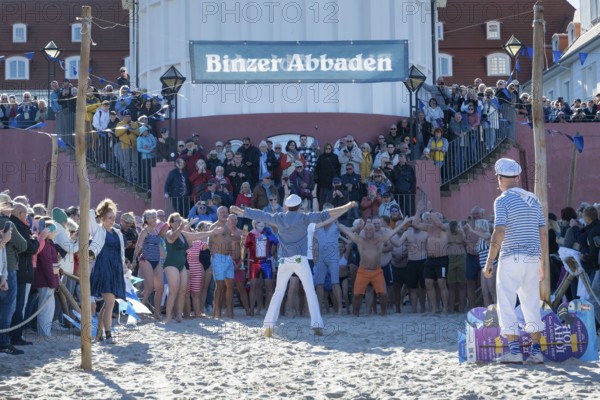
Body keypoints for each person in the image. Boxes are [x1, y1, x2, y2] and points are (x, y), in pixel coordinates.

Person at [231, 195, 356, 336]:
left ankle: (268, 326)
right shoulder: (304, 218)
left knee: (278, 292)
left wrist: (241, 211)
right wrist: (347, 206)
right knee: (310, 292)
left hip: (284, 261)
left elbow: (261, 215)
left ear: (287, 206)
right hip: (300, 260)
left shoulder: (279, 217)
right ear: (299, 207)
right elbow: (326, 214)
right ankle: (317, 324)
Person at [485, 158, 546, 364]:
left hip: (511, 256)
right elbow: (543, 234)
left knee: (506, 303)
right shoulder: (534, 199)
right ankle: (536, 351)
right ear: (518, 177)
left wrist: (489, 262)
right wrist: (542, 265)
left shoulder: (501, 200)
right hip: (533, 258)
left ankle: (514, 350)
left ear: (500, 178)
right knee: (531, 304)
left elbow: (499, 230)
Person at [337, 218, 408, 316]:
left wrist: (404, 223)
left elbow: (393, 232)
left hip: (377, 271)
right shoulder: (359, 240)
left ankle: (383, 313)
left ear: (374, 230)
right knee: (357, 295)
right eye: (366, 229)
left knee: (383, 294)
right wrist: (337, 223)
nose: (368, 231)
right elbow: (347, 231)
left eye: (370, 229)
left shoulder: (380, 239)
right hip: (363, 271)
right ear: (363, 230)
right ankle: (355, 315)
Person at [164, 213, 221, 323]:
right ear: (171, 223)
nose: (179, 222)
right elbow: (173, 237)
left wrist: (212, 232)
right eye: (176, 221)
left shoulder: (184, 234)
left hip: (182, 265)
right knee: (173, 292)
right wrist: (181, 227)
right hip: (171, 264)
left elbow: (198, 235)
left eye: (180, 220)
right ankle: (167, 317)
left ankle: (179, 316)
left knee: (182, 291)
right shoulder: (169, 233)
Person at [89, 199, 127, 344]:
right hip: (103, 269)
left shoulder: (117, 232)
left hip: (115, 269)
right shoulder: (99, 230)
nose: (112, 220)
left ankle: (99, 335)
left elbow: (121, 251)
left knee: (107, 304)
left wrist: (123, 267)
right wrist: (100, 210)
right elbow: (90, 214)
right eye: (109, 217)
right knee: (110, 303)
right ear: (103, 218)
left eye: (113, 217)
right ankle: (109, 335)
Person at [0, 194, 27, 355]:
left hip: (5, 266)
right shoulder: (7, 223)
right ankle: (4, 342)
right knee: (8, 306)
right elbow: (23, 245)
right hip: (7, 268)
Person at [133, 210, 164, 319]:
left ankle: (157, 312)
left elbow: (158, 246)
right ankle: (139, 312)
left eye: (154, 216)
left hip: (156, 260)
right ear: (146, 220)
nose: (154, 218)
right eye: (151, 217)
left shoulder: (156, 231)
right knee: (149, 287)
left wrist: (165, 257)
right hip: (146, 260)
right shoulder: (144, 231)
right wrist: (133, 261)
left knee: (160, 288)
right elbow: (138, 246)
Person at [245, 220, 279, 316]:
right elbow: (245, 249)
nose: (261, 224)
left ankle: (270, 310)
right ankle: (251, 311)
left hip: (266, 262)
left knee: (269, 286)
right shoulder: (250, 234)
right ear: (255, 224)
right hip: (254, 263)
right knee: (253, 286)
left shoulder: (268, 233)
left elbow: (277, 243)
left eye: (263, 221)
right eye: (259, 222)